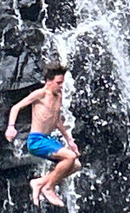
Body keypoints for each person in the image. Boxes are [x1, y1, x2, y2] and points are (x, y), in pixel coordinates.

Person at [5, 64, 82, 208]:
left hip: (48, 140)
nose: (61, 86)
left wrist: (70, 140)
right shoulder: (39, 94)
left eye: (62, 82)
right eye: (58, 83)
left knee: (76, 165)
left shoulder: (58, 96)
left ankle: (39, 182)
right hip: (36, 140)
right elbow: (16, 107)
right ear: (49, 81)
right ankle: (48, 187)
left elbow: (57, 121)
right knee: (70, 157)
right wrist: (11, 127)